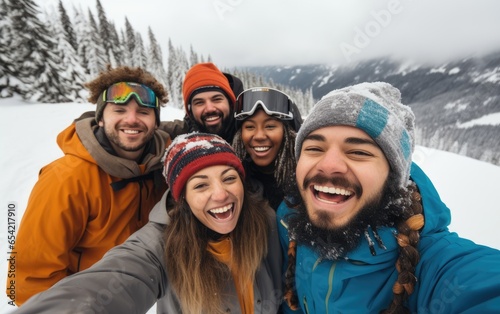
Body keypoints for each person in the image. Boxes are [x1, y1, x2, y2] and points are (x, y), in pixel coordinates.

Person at [277, 82, 500, 313]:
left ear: (393, 177)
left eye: (359, 152)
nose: (328, 165)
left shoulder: (434, 266)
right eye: (315, 148)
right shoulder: (289, 220)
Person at [13, 133, 283, 314]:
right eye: (201, 185)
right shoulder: (161, 244)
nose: (221, 194)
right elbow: (114, 281)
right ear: (182, 199)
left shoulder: (265, 221)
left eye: (228, 178)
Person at [7, 66, 172, 306]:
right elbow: (30, 278)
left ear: (156, 121)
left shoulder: (160, 166)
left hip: (128, 300)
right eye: (119, 110)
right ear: (101, 117)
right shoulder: (66, 179)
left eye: (144, 112)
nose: (132, 119)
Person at [232, 87, 303, 210]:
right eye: (249, 127)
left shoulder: (306, 179)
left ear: (288, 132)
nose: (259, 136)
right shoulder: (233, 180)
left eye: (270, 126)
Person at [162, 62, 243, 143]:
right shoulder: (182, 133)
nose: (209, 108)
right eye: (199, 102)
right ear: (190, 111)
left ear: (230, 103)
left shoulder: (249, 131)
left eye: (217, 99)